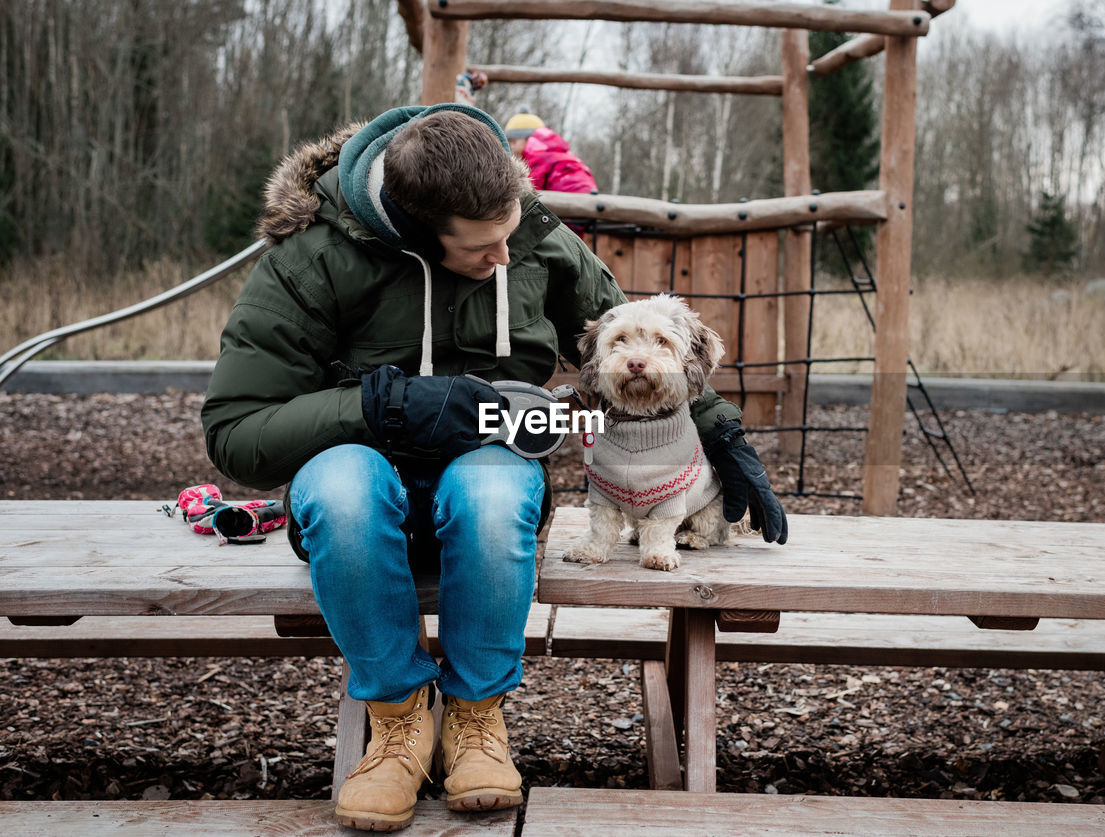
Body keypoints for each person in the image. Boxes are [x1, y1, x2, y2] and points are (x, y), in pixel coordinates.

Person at [201, 103, 786, 832]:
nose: (505, 257)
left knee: (491, 486)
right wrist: (378, 406)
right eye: (482, 248)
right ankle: (398, 719)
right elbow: (235, 431)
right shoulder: (313, 257)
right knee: (345, 487)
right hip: (358, 477)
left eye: (510, 232)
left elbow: (632, 336)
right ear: (416, 231)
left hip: (488, 475)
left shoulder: (529, 233)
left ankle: (476, 718)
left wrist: (720, 433)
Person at [503, 110, 598, 194]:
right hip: (589, 192)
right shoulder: (559, 153)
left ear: (528, 139)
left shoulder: (537, 156)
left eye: (513, 141)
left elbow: (532, 188)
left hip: (570, 197)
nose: (512, 146)